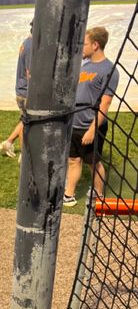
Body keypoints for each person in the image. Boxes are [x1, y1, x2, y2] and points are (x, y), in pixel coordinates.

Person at [63, 26, 119, 207]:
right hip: (74, 124)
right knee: (73, 160)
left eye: (85, 43)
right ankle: (69, 194)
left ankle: (99, 195)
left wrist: (92, 131)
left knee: (94, 163)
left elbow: (105, 104)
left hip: (92, 126)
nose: (82, 47)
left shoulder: (109, 70)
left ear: (95, 45)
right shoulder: (84, 65)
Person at [0, 21, 33, 161]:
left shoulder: (27, 42)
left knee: (25, 120)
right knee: (27, 124)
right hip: (26, 92)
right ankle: (24, 156)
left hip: (21, 90)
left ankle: (9, 142)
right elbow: (30, 73)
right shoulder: (31, 46)